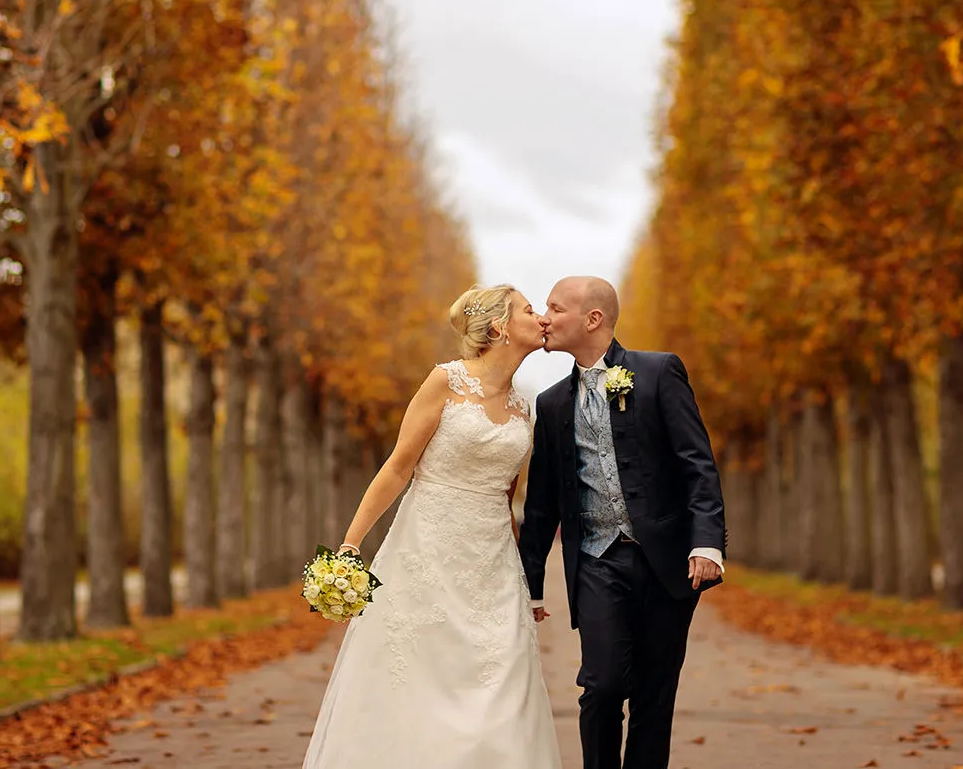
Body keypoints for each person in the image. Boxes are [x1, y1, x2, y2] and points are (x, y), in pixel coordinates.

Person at [300, 284, 562, 769]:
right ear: (502, 326)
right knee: (416, 677)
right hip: (426, 552)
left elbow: (506, 496)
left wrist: (527, 577)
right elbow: (399, 467)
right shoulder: (446, 381)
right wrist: (350, 545)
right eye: (531, 310)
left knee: (503, 679)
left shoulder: (526, 408)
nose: (542, 317)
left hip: (493, 563)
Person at [519, 275, 726, 769]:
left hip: (668, 562)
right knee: (603, 684)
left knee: (655, 694)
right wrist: (530, 586)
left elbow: (696, 464)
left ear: (593, 320)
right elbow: (543, 503)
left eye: (555, 307)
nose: (544, 317)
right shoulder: (550, 405)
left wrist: (707, 544)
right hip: (596, 561)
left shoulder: (658, 373)